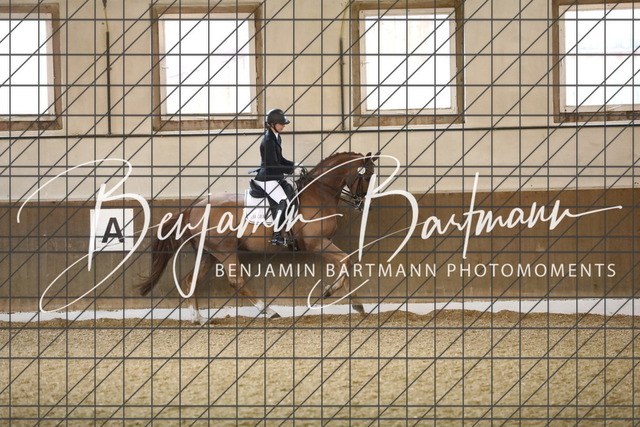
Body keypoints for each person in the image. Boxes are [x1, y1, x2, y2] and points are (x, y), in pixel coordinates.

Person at [254, 108, 296, 246]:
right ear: (272, 124)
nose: (283, 126)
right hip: (267, 178)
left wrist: (294, 164)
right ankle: (276, 235)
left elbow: (280, 159)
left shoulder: (276, 137)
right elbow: (273, 165)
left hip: (275, 176)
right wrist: (291, 169)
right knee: (282, 201)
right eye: (281, 123)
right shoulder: (268, 141)